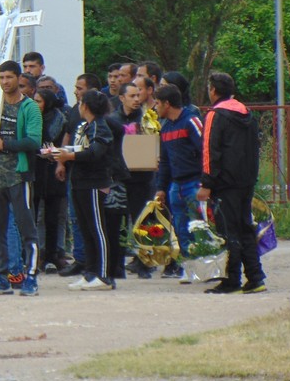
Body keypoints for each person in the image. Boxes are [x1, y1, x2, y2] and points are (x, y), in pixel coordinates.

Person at [197, 72, 266, 295]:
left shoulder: (215, 115)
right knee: (245, 227)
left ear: (213, 91)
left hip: (225, 183)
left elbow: (209, 152)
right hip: (246, 181)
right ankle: (255, 277)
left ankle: (232, 279)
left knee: (229, 231)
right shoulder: (247, 113)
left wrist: (207, 183)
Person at [0, 60, 43, 297]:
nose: (5, 82)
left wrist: (6, 145)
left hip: (19, 176)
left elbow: (34, 141)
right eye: (1, 78)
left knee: (26, 228)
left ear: (18, 78)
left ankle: (31, 276)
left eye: (9, 77)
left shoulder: (29, 107)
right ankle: (2, 276)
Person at [53, 89, 116, 290]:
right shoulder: (84, 126)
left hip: (94, 183)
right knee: (85, 229)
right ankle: (90, 272)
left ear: (86, 106)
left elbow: (95, 152)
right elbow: (81, 149)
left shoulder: (100, 126)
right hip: (79, 182)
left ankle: (105, 275)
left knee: (97, 229)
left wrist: (69, 157)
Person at [108, 81, 157, 278]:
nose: (136, 100)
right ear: (121, 98)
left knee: (143, 222)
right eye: (132, 96)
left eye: (138, 96)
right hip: (120, 178)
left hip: (142, 178)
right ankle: (117, 265)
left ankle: (145, 263)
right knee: (118, 223)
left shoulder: (147, 118)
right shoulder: (112, 120)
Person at [56, 73, 103, 278]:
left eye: (80, 88)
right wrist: (61, 160)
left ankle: (97, 265)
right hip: (75, 171)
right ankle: (81, 259)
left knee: (92, 221)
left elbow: (96, 150)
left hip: (93, 176)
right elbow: (69, 134)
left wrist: (71, 155)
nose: (75, 92)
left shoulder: (101, 121)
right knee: (76, 218)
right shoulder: (76, 111)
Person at [155, 84, 203, 275]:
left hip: (194, 183)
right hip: (176, 185)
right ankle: (190, 268)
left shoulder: (191, 122)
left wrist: (206, 181)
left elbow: (205, 151)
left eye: (157, 103)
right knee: (181, 228)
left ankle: (205, 266)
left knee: (199, 226)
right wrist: (160, 188)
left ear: (167, 104)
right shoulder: (165, 128)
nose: (155, 107)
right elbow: (165, 161)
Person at [34, 88, 69, 272]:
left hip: (55, 170)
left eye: (39, 101)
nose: (36, 105)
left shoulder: (60, 120)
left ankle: (54, 254)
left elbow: (63, 144)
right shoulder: (32, 119)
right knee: (33, 215)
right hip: (36, 170)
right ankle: (35, 255)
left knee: (53, 216)